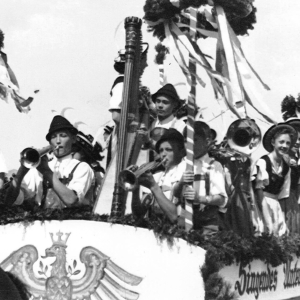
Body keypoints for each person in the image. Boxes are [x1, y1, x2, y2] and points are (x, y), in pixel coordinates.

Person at [4, 115, 94, 209]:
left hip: (72, 222)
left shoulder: (82, 167)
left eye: (63, 136)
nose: (58, 141)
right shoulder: (38, 168)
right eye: (54, 137)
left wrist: (46, 172)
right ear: (50, 142)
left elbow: (72, 201)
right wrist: (22, 170)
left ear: (73, 139)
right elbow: (10, 201)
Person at [178, 121, 228, 235]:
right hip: (185, 220)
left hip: (207, 223)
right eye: (186, 141)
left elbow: (222, 199)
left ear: (207, 142)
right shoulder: (182, 165)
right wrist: (181, 182)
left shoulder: (214, 166)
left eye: (195, 140)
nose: (190, 144)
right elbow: (175, 195)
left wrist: (200, 198)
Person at [132, 128, 186, 222]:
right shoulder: (157, 176)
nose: (163, 154)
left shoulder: (185, 173)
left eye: (168, 150)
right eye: (161, 150)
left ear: (181, 152)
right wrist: (135, 189)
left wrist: (153, 186)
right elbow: (138, 215)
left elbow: (175, 217)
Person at [253, 123, 296, 236]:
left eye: (287, 143)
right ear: (273, 142)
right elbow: (259, 193)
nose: (284, 146)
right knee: (264, 235)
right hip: (261, 205)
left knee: (279, 237)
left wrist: (280, 219)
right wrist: (267, 220)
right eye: (281, 142)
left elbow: (281, 196)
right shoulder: (263, 162)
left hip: (275, 206)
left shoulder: (286, 168)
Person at [73, 131, 105, 204]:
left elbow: (100, 195)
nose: (71, 152)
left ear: (83, 154)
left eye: (75, 149)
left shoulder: (95, 172)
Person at [283, 118, 300, 233]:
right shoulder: (281, 157)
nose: (297, 142)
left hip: (293, 200)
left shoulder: (296, 158)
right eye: (294, 138)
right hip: (282, 201)